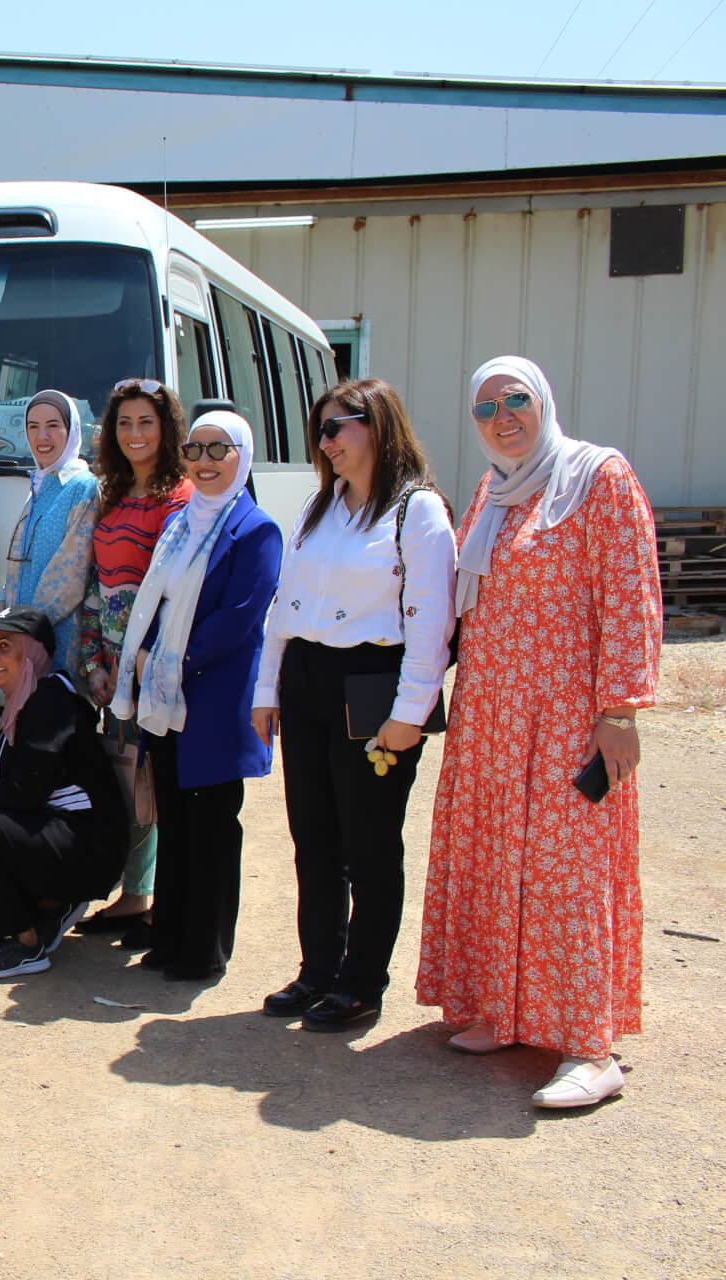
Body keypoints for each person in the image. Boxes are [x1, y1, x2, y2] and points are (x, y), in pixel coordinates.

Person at [417, 355, 660, 1109]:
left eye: (515, 400)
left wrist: (619, 710)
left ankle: (591, 1045)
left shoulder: (598, 478)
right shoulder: (494, 491)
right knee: (497, 859)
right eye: (486, 410)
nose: (503, 418)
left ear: (544, 400)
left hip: (567, 720)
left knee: (569, 871)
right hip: (493, 719)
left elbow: (630, 595)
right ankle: (507, 1009)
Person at [251, 380, 457, 1030]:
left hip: (374, 680)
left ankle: (361, 981)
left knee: (368, 843)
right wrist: (266, 688)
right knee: (312, 837)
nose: (326, 443)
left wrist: (412, 711)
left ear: (377, 424)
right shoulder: (320, 506)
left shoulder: (416, 511)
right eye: (321, 432)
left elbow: (430, 621)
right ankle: (319, 970)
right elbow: (283, 606)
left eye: (337, 428)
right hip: (308, 676)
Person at [112, 410, 281, 982]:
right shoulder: (180, 523)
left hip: (211, 700)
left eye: (219, 450)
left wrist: (168, 660)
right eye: (195, 451)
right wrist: (150, 658)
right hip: (166, 697)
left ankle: (205, 949)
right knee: (177, 823)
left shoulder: (257, 530)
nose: (204, 463)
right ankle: (170, 937)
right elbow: (157, 604)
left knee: (211, 828)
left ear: (243, 457)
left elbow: (239, 620)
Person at [0, 607, 128, 979]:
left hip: (88, 847)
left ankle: (24, 943)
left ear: (34, 652)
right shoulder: (26, 699)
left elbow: (25, 792)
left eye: (5, 645)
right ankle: (48, 905)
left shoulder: (49, 700)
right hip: (61, 834)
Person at [77, 379, 193, 939]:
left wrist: (148, 658)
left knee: (163, 782)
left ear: (167, 428)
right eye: (124, 423)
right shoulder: (112, 495)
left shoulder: (184, 498)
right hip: (117, 670)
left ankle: (165, 901)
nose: (134, 434)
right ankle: (136, 894)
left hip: (161, 665)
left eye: (146, 422)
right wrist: (97, 662)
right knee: (130, 779)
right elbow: (99, 588)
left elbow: (183, 590)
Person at [0, 389, 98, 677]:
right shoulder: (39, 483)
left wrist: (27, 629)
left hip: (53, 635)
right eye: (33, 427)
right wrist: (2, 615)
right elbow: (18, 561)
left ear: (72, 430)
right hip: (20, 637)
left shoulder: (82, 486)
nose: (42, 436)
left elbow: (70, 575)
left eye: (53, 426)